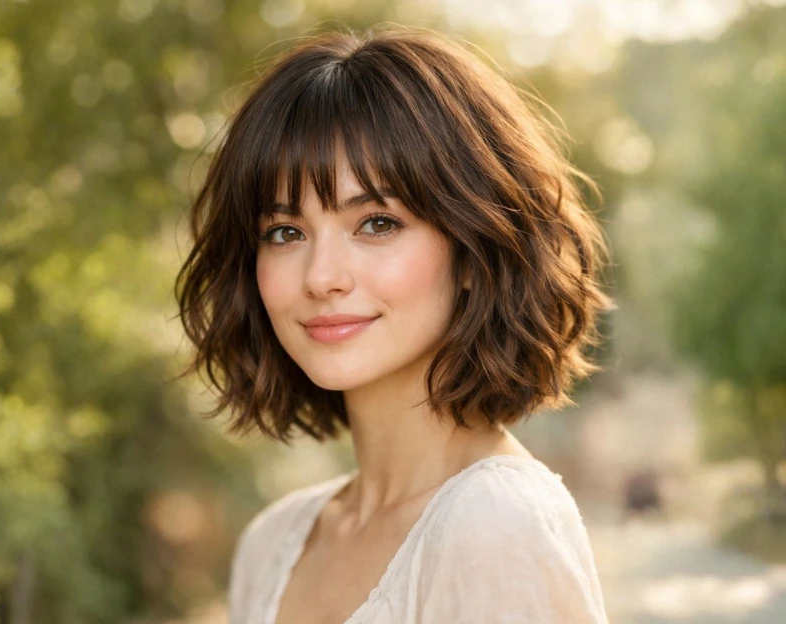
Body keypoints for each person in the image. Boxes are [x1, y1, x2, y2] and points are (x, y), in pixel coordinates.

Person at [176, 25, 613, 624]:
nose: (321, 276)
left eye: (376, 223)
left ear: (472, 245)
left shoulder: (497, 525)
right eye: (285, 232)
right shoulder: (273, 543)